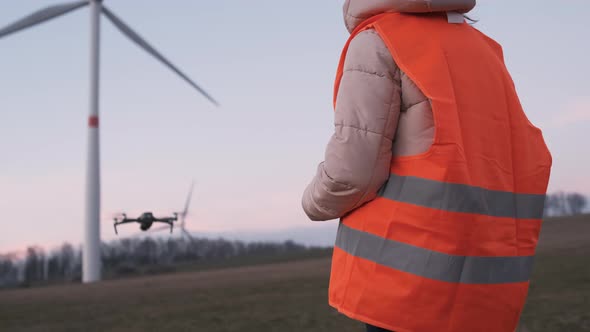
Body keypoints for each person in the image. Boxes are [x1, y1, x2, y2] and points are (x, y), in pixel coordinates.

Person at [301, 1, 552, 331]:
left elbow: (351, 172)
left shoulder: (378, 40)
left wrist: (311, 202)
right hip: (483, 286)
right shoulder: (483, 49)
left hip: (404, 283)